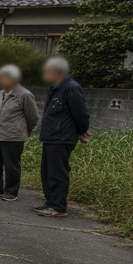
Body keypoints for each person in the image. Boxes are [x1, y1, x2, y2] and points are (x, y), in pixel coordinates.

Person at [34, 56, 91, 218]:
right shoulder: (55, 88)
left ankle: (58, 207)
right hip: (51, 137)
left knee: (58, 173)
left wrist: (82, 130)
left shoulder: (71, 88)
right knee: (47, 172)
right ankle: (50, 202)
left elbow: (81, 113)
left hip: (62, 137)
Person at [0, 64, 39, 202]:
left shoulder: (25, 95)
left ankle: (11, 191)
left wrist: (23, 131)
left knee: (11, 165)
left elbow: (33, 117)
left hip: (13, 137)